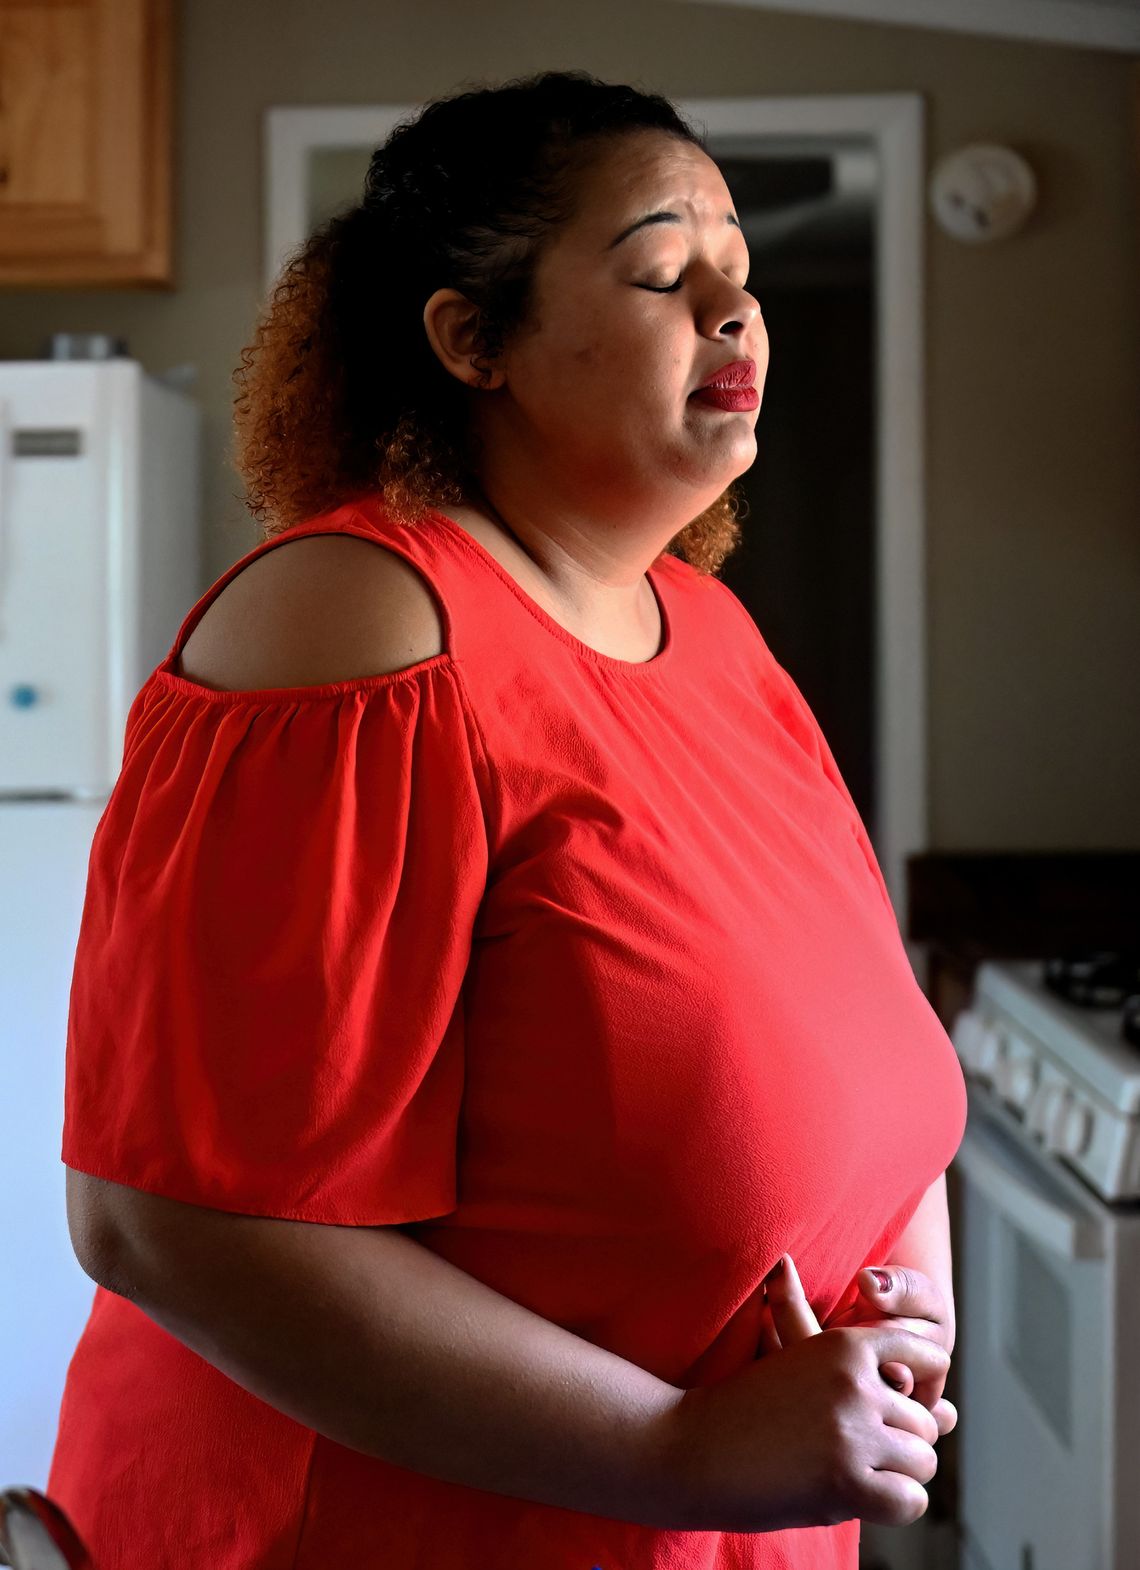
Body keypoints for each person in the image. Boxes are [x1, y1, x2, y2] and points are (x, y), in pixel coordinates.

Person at [49, 69, 966, 1570]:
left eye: (742, 268)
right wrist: (680, 1445)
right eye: (669, 270)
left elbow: (864, 1064)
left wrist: (901, 1306)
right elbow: (170, 1221)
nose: (737, 309)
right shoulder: (359, 628)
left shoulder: (710, 633)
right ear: (473, 339)